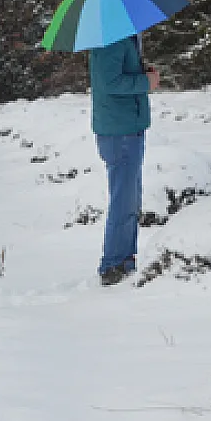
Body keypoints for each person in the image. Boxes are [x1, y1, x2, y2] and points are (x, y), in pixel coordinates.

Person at [88, 34, 159, 286]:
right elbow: (110, 81)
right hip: (120, 132)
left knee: (129, 199)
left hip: (127, 126)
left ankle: (124, 261)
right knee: (124, 201)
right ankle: (113, 266)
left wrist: (142, 72)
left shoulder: (122, 36)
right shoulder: (111, 38)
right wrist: (144, 81)